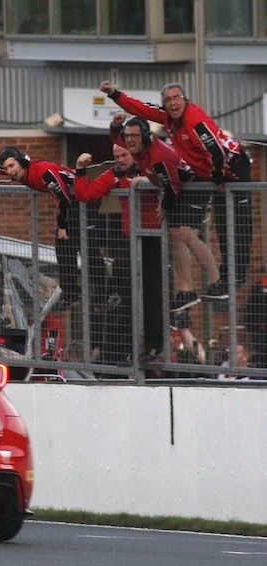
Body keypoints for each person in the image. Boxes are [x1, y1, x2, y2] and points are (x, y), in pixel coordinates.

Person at [101, 80, 252, 287]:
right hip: (208, 172)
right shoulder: (168, 119)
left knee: (237, 222)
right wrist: (114, 94)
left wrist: (218, 177)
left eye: (176, 98)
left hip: (232, 166)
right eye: (168, 99)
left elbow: (217, 151)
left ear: (185, 99)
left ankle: (236, 274)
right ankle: (227, 275)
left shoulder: (194, 120)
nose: (173, 103)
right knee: (222, 223)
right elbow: (141, 108)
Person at [0, 145, 91, 311]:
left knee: (82, 246)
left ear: (21, 162)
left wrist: (62, 227)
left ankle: (95, 294)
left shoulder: (43, 172)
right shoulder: (17, 170)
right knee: (64, 248)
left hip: (82, 198)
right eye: (6, 168)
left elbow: (64, 200)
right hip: (71, 202)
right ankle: (72, 293)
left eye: (11, 166)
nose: (9, 172)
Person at [110, 114, 224, 313]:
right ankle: (187, 290)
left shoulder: (157, 156)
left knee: (186, 234)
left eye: (133, 136)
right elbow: (117, 140)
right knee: (176, 235)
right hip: (178, 186)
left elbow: (171, 187)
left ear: (144, 137)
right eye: (127, 136)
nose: (128, 140)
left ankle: (218, 282)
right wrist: (115, 126)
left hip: (194, 183)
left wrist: (162, 205)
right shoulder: (135, 145)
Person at [74, 144, 164, 363]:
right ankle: (128, 348)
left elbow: (170, 180)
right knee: (125, 294)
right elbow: (85, 193)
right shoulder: (115, 173)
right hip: (129, 239)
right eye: (117, 156)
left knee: (152, 295)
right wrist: (79, 170)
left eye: (125, 155)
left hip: (153, 238)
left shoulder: (149, 168)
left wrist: (147, 182)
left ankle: (155, 344)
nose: (121, 159)